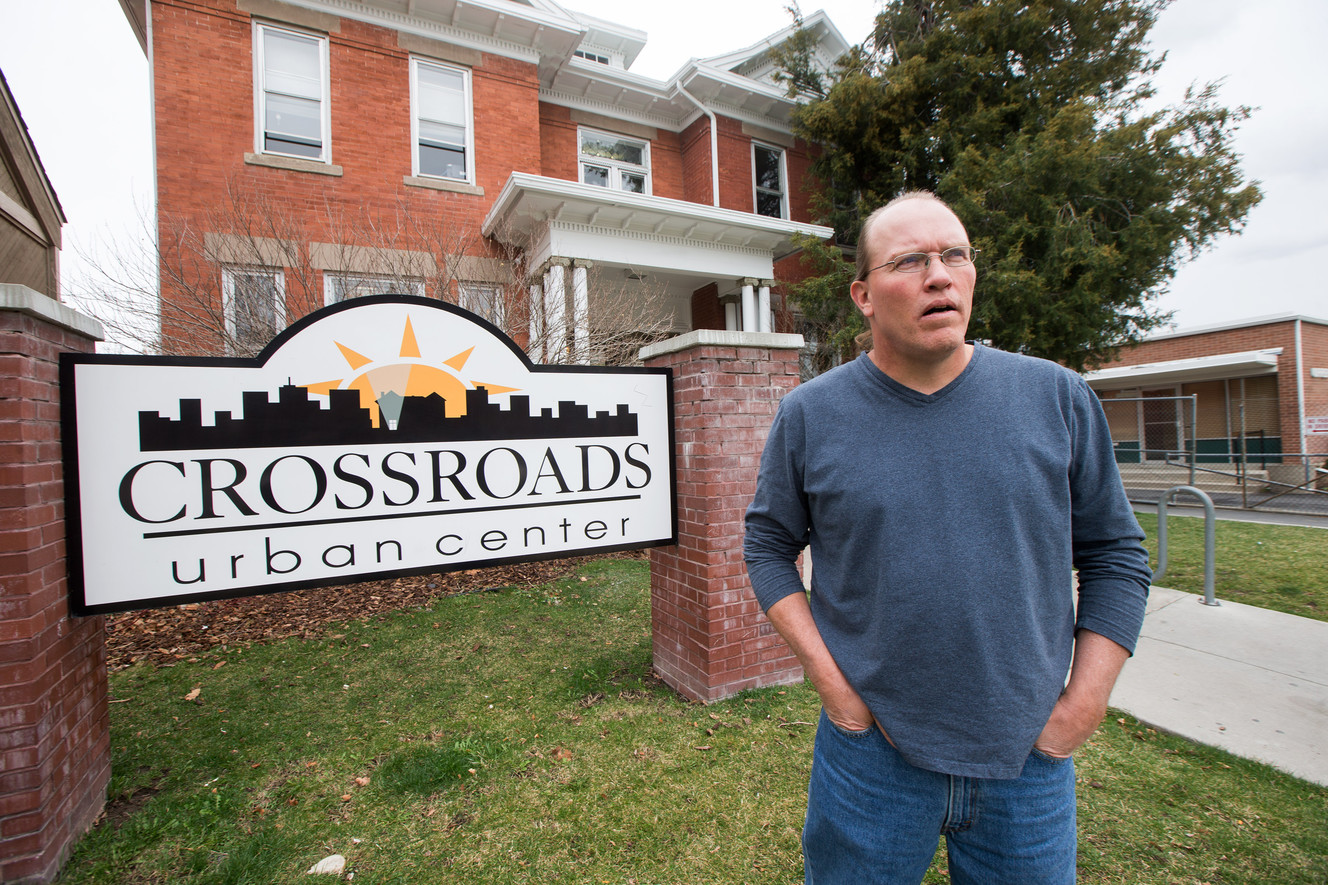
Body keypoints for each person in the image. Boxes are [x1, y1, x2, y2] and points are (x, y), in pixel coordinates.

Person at [743, 191, 1152, 884]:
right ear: (864, 294)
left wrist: (1083, 703)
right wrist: (829, 680)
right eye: (909, 260)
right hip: (870, 757)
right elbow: (767, 545)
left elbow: (1116, 554)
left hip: (1027, 761)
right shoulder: (812, 414)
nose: (939, 275)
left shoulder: (1057, 398)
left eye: (954, 254)